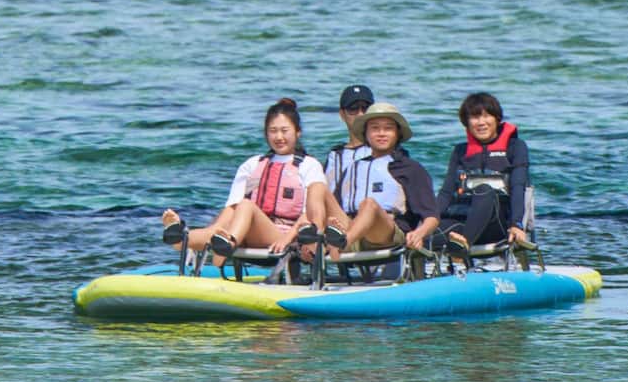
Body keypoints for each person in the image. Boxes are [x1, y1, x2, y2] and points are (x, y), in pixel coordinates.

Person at [161, 98, 331, 258]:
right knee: (229, 217)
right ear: (266, 133)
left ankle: (227, 242)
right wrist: (215, 229)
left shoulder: (309, 165)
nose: (279, 137)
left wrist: (287, 239)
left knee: (246, 206)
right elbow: (232, 208)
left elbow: (309, 214)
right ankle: (182, 238)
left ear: (298, 132)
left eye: (284, 131)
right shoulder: (253, 164)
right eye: (273, 131)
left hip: (285, 236)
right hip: (246, 232)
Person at [325, 101, 439, 254]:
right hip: (351, 229)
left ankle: (341, 243)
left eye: (388, 128)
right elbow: (335, 207)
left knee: (369, 205)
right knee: (319, 190)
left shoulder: (410, 169)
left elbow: (431, 216)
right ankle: (310, 247)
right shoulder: (353, 168)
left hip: (386, 234)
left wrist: (419, 233)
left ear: (397, 133)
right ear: (366, 133)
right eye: (375, 128)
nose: (381, 133)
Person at [434, 91, 530, 254]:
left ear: (497, 119)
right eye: (475, 117)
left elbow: (518, 186)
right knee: (425, 236)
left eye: (486, 116)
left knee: (484, 190)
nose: (481, 122)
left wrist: (517, 224)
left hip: (497, 225)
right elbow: (446, 192)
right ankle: (416, 276)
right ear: (467, 123)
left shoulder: (515, 147)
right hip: (462, 221)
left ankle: (461, 248)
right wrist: (427, 222)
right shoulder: (460, 151)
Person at [323, 82, 376, 214]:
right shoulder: (335, 156)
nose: (360, 114)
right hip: (338, 219)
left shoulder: (384, 151)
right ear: (342, 114)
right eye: (353, 109)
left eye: (365, 108)